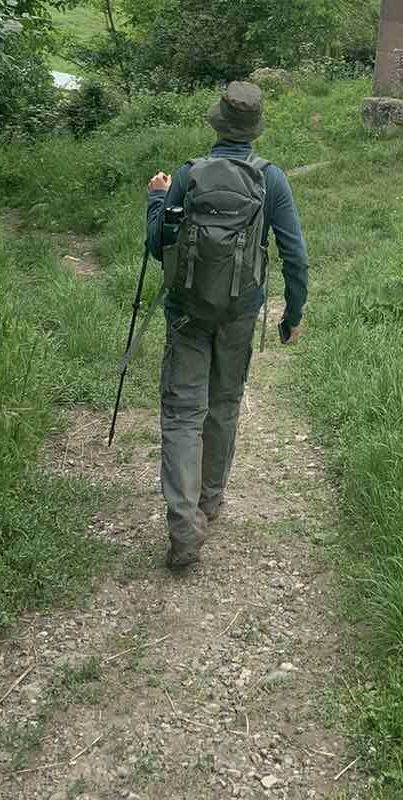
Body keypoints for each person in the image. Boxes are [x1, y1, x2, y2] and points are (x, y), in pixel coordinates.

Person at [145, 80, 308, 571]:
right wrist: (291, 315)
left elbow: (157, 246)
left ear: (217, 123)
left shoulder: (187, 174)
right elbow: (295, 255)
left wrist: (155, 200)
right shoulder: (271, 180)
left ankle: (183, 526)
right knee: (224, 403)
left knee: (182, 414)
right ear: (255, 129)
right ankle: (210, 501)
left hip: (187, 311)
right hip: (240, 311)